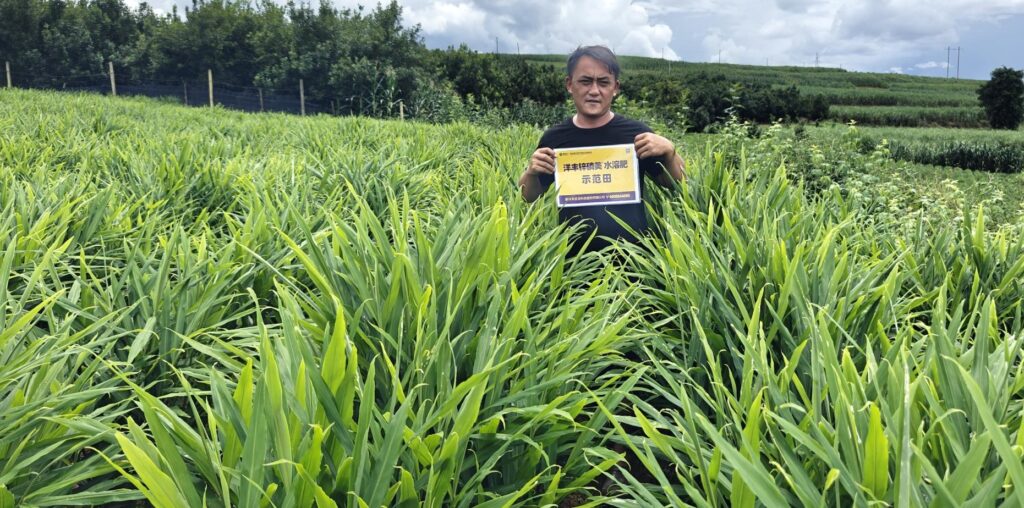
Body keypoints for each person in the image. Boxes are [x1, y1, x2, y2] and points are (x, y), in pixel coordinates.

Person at [519, 45, 685, 255]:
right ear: (570, 84)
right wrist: (531, 172)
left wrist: (670, 153)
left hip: (634, 263)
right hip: (574, 264)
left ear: (615, 87)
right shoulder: (555, 138)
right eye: (585, 81)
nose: (594, 91)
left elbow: (678, 185)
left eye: (603, 82)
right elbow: (528, 197)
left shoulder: (637, 135)